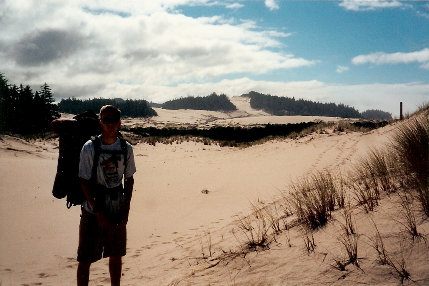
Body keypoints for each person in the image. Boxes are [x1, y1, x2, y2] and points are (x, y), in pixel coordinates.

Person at [76, 105, 136, 286]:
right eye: (106, 120)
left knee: (116, 255)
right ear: (100, 122)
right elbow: (84, 181)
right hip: (91, 209)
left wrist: (126, 210)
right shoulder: (89, 148)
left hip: (117, 208)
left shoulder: (126, 148)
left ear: (119, 122)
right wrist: (97, 211)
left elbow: (130, 179)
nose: (110, 124)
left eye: (113, 120)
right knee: (85, 258)